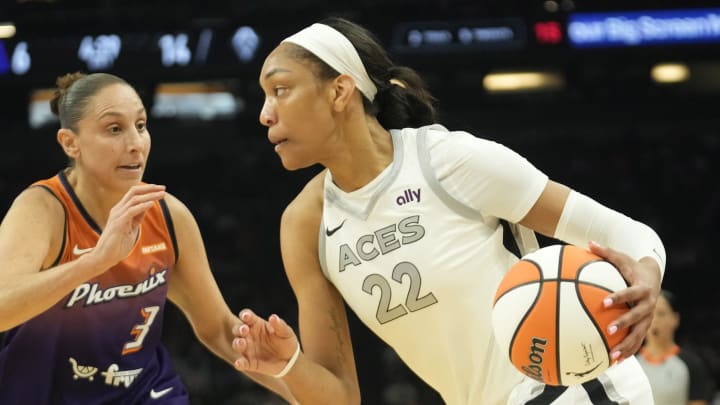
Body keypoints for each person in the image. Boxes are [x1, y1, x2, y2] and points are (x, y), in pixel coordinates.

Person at [231, 17, 667, 405]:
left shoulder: (447, 161)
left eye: (281, 90)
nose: (265, 114)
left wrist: (647, 273)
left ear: (341, 91)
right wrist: (288, 364)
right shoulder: (304, 224)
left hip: (570, 387)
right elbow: (339, 396)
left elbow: (622, 232)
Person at [0, 72, 295, 404]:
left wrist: (305, 393)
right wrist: (95, 262)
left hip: (147, 394)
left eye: (140, 126)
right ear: (71, 142)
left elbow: (219, 330)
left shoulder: (169, 216)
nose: (135, 143)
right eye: (114, 129)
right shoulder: (42, 210)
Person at [636, 290, 716, 405]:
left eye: (661, 314)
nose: (654, 320)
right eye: (649, 314)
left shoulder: (692, 364)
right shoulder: (629, 363)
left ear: (675, 319)